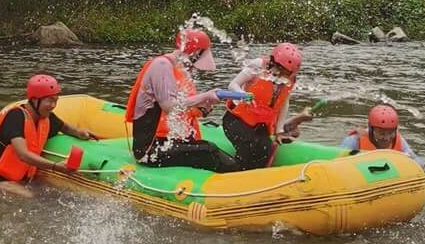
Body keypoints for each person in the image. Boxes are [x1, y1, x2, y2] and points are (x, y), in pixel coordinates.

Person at [126, 28, 239, 173]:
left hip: (168, 143)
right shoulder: (161, 66)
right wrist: (205, 96)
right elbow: (169, 107)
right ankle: (238, 180)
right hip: (150, 150)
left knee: (208, 148)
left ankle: (238, 173)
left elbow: (183, 107)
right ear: (195, 52)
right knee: (209, 150)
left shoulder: (178, 69)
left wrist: (202, 107)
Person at [0, 76, 92, 182]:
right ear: (35, 100)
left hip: (24, 179)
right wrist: (55, 166)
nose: (53, 105)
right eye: (49, 100)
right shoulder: (15, 117)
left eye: (55, 100)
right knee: (30, 198)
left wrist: (79, 133)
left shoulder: (46, 117)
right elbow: (23, 155)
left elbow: (65, 127)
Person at [222, 43, 312, 170]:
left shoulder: (289, 79)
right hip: (236, 121)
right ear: (273, 62)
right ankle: (235, 174)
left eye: (286, 72)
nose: (281, 74)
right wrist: (243, 95)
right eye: (281, 70)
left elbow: (283, 104)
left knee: (265, 150)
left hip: (260, 126)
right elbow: (233, 85)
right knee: (249, 148)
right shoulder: (258, 65)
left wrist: (279, 131)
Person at [340, 103, 415, 157]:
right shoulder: (354, 140)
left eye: (391, 132)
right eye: (382, 133)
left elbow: (417, 161)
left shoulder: (399, 140)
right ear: (371, 129)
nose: (387, 138)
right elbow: (338, 160)